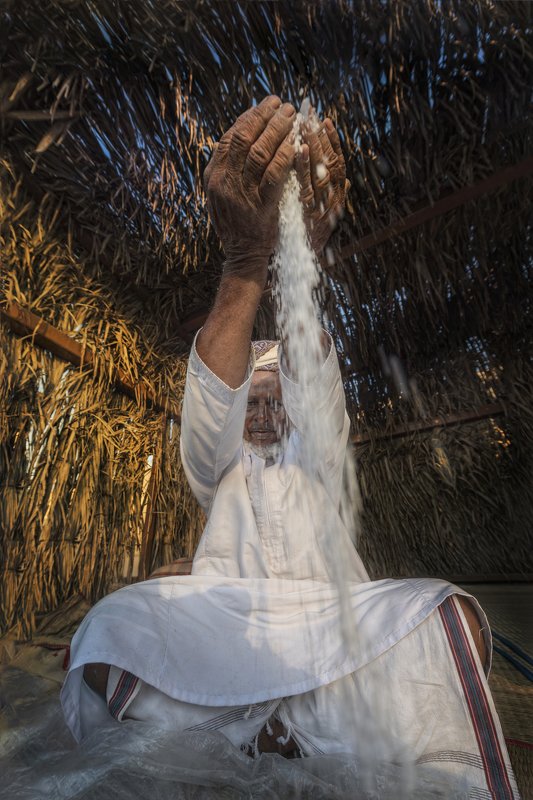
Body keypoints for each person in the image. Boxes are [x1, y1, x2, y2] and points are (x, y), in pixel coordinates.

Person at [62, 97, 519, 796]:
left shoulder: (319, 459)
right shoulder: (221, 468)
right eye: (255, 391)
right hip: (232, 620)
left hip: (330, 625)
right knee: (109, 628)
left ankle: (262, 730)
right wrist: (247, 260)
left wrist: (302, 246)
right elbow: (214, 395)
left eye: (278, 392)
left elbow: (316, 388)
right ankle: (280, 729)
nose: (267, 401)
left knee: (444, 613)